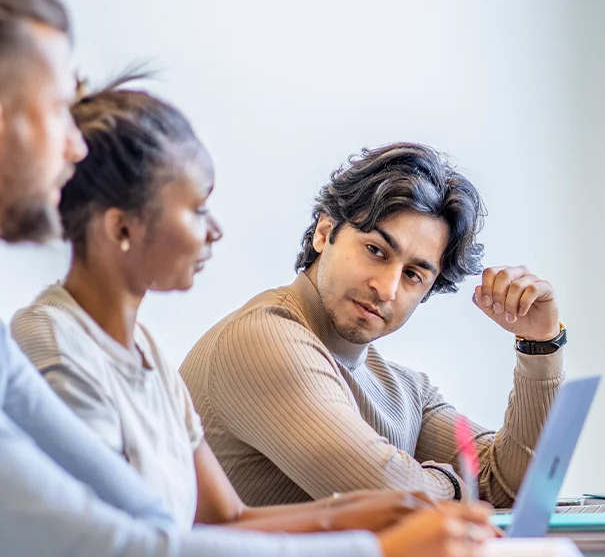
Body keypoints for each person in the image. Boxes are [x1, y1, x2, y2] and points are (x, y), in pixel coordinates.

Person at [0, 0, 489, 556]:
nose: (76, 144)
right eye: (59, 110)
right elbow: (92, 544)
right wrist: (376, 548)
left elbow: (145, 515)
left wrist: (376, 520)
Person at [10, 74, 430, 532]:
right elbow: (131, 544)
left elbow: (225, 518)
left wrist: (382, 514)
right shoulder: (53, 345)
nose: (214, 231)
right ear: (121, 228)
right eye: (196, 209)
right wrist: (370, 540)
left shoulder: (144, 351)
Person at [180, 142, 566, 507]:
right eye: (376, 251)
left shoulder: (405, 391)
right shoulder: (262, 338)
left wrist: (539, 343)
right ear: (325, 232)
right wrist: (458, 486)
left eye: (413, 275)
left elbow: (513, 488)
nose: (386, 289)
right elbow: (389, 495)